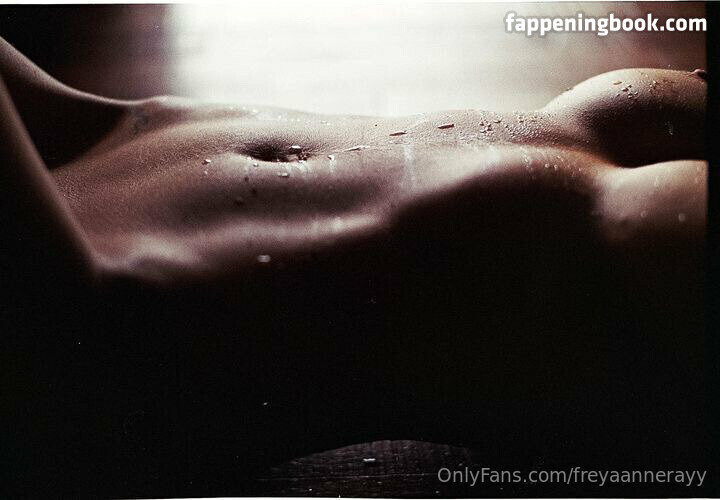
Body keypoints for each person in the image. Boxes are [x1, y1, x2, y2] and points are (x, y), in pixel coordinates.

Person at [0, 36, 709, 496]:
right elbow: (83, 324)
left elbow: (71, 116)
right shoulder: (64, 366)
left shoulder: (68, 144)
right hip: (610, 282)